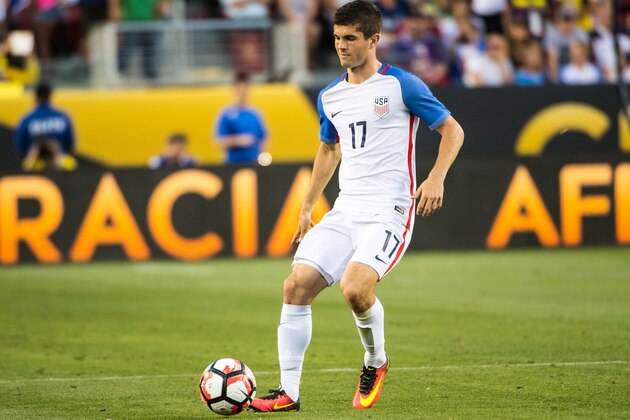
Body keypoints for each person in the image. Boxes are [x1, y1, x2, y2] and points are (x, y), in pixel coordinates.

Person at [249, 0, 464, 412]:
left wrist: (435, 178)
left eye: (350, 38)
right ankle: (288, 393)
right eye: (336, 38)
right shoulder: (331, 96)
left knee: (354, 288)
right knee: (295, 286)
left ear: (373, 39)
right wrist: (307, 206)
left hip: (391, 210)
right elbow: (329, 150)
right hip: (347, 210)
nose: (341, 46)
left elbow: (452, 131)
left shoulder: (402, 85)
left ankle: (375, 362)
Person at [14, 81, 77, 166]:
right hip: (60, 168)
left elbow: (20, 147)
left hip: (34, 170)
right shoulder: (63, 118)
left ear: (35, 96)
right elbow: (70, 147)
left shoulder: (27, 120)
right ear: (50, 95)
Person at [214, 72, 268, 165]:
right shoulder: (226, 114)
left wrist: (263, 161)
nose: (243, 93)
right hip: (233, 164)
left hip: (253, 163)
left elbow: (263, 140)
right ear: (234, 90)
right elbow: (220, 141)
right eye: (240, 90)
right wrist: (239, 140)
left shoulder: (255, 114)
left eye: (245, 90)